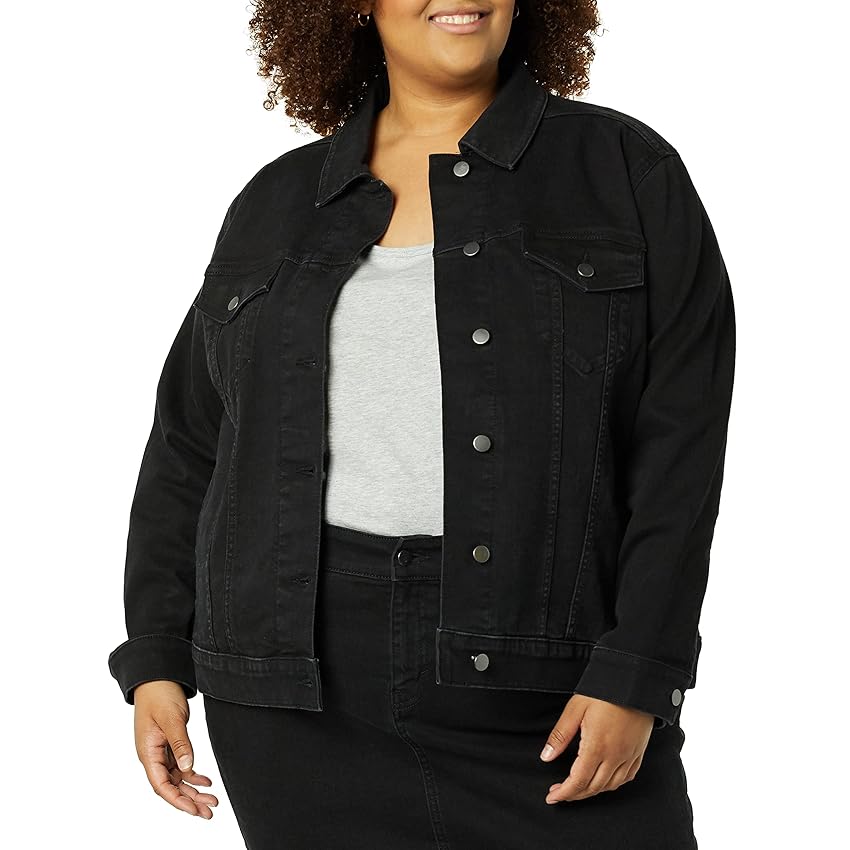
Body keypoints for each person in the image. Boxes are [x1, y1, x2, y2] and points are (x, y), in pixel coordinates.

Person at [107, 2, 736, 848]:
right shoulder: (278, 199)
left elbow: (682, 446)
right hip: (294, 700)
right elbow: (190, 443)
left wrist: (639, 670)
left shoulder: (622, 169)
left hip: (548, 684)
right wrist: (155, 654)